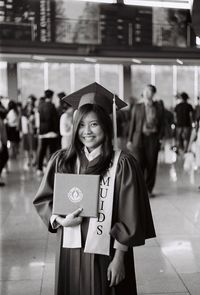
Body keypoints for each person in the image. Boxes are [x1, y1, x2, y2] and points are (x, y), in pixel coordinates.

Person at [33, 82, 156, 295]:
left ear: (106, 126)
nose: (86, 131)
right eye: (81, 125)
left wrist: (119, 259)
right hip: (69, 249)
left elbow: (129, 215)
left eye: (94, 125)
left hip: (106, 250)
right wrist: (61, 220)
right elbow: (45, 200)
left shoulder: (122, 164)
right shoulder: (62, 161)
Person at [126, 84, 165, 197]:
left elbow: (162, 124)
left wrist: (161, 138)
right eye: (146, 91)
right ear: (143, 93)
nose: (148, 93)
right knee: (139, 164)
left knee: (151, 164)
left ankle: (148, 189)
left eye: (150, 91)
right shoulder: (137, 107)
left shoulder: (158, 107)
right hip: (139, 138)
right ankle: (139, 189)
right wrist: (129, 140)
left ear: (153, 94)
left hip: (153, 138)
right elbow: (132, 123)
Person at [36, 89, 60, 175]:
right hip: (51, 132)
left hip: (43, 132)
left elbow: (38, 119)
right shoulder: (52, 106)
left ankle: (39, 169)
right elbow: (55, 120)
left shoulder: (40, 106)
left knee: (42, 151)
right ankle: (50, 168)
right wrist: (57, 131)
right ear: (51, 97)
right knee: (52, 151)